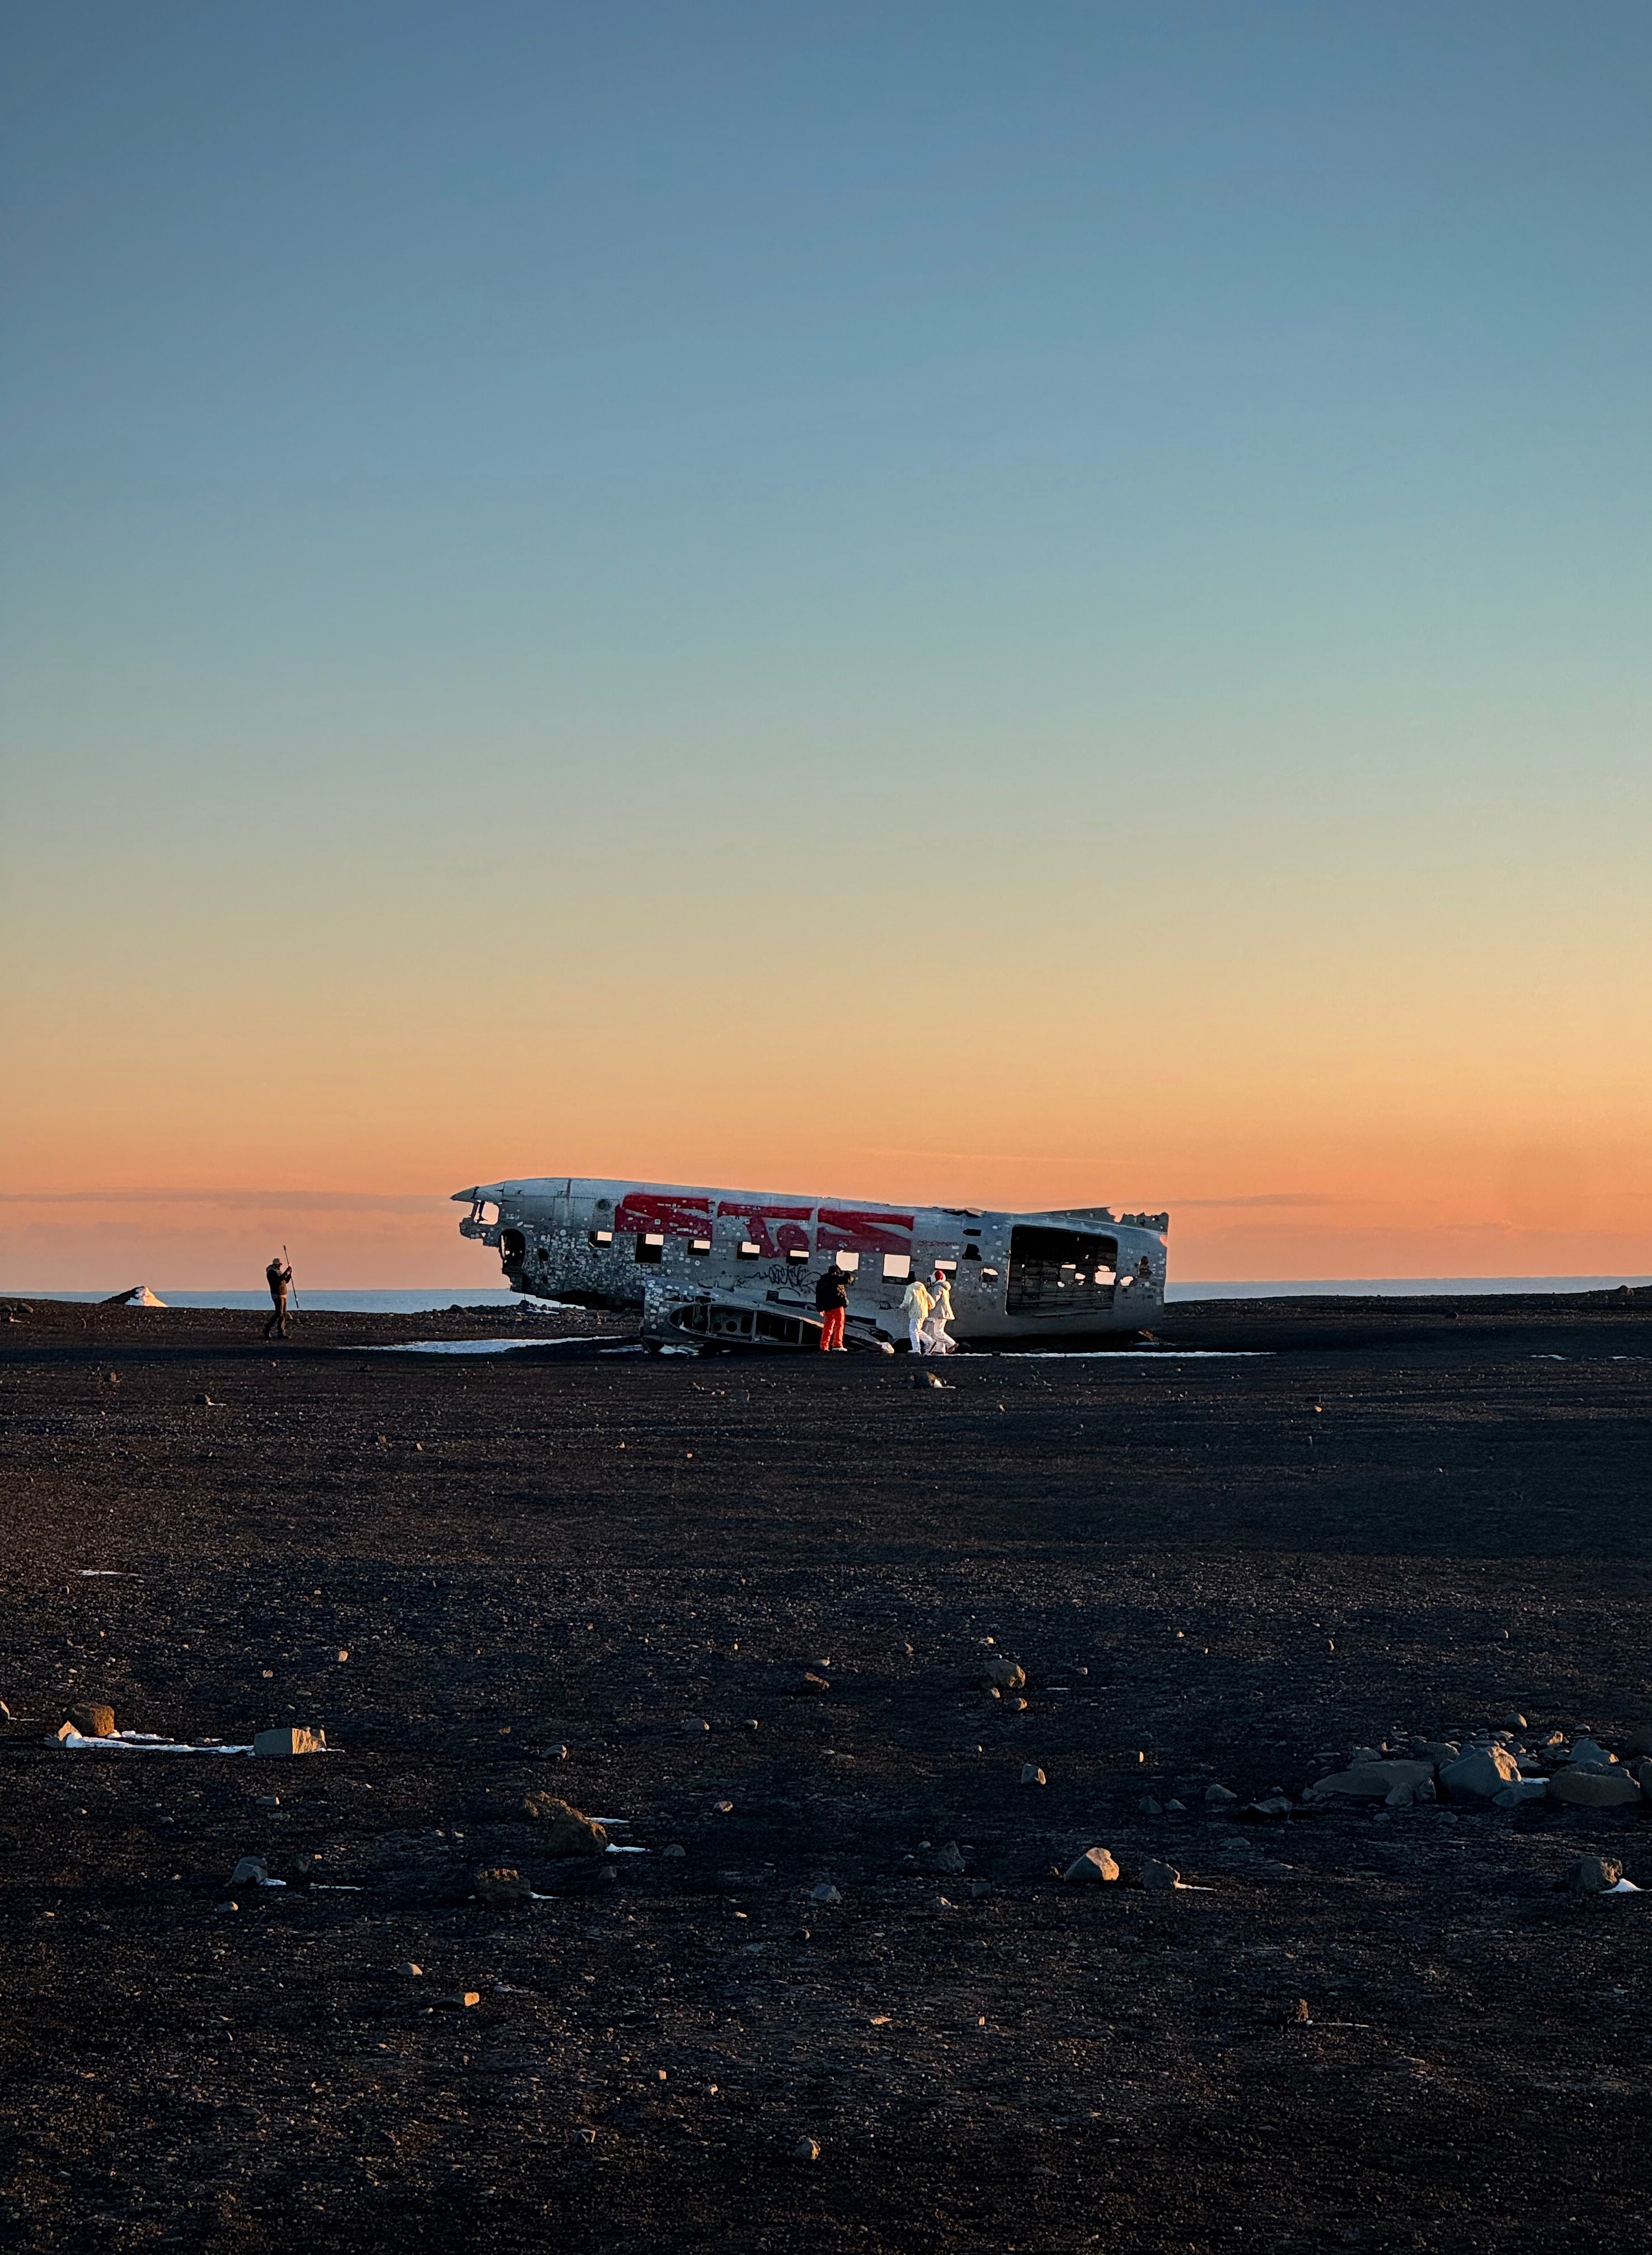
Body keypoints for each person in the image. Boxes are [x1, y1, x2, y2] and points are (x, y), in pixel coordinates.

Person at [815, 1260, 850, 1352]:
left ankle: (824, 1346)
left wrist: (820, 1309)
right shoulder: (836, 1279)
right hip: (838, 1306)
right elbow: (847, 1280)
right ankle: (837, 1345)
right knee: (839, 1325)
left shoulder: (822, 1281)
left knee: (828, 1327)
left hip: (827, 1307)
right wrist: (848, 1274)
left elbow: (819, 1296)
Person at [924, 1267, 956, 1355]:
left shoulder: (938, 1287)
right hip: (942, 1312)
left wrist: (928, 1305)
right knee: (938, 1331)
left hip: (941, 1313)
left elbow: (935, 1298)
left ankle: (951, 1344)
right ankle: (940, 1350)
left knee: (938, 1332)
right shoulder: (944, 1287)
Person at [899, 1272, 933, 1355]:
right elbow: (932, 1302)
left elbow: (907, 1302)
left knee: (913, 1331)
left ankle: (917, 1349)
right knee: (917, 1330)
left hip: (915, 1313)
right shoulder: (922, 1288)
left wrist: (901, 1307)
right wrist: (927, 1308)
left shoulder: (910, 1288)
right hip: (924, 1313)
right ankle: (930, 1342)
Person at [263, 1253, 293, 1339]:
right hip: (277, 1294)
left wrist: (289, 1274)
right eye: (279, 1265)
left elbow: (285, 1281)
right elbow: (279, 1280)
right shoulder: (272, 1273)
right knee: (279, 1313)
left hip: (283, 1294)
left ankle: (281, 1333)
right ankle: (267, 1330)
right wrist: (287, 1271)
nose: (280, 1266)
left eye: (281, 1265)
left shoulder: (279, 1273)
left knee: (282, 1314)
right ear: (275, 1265)